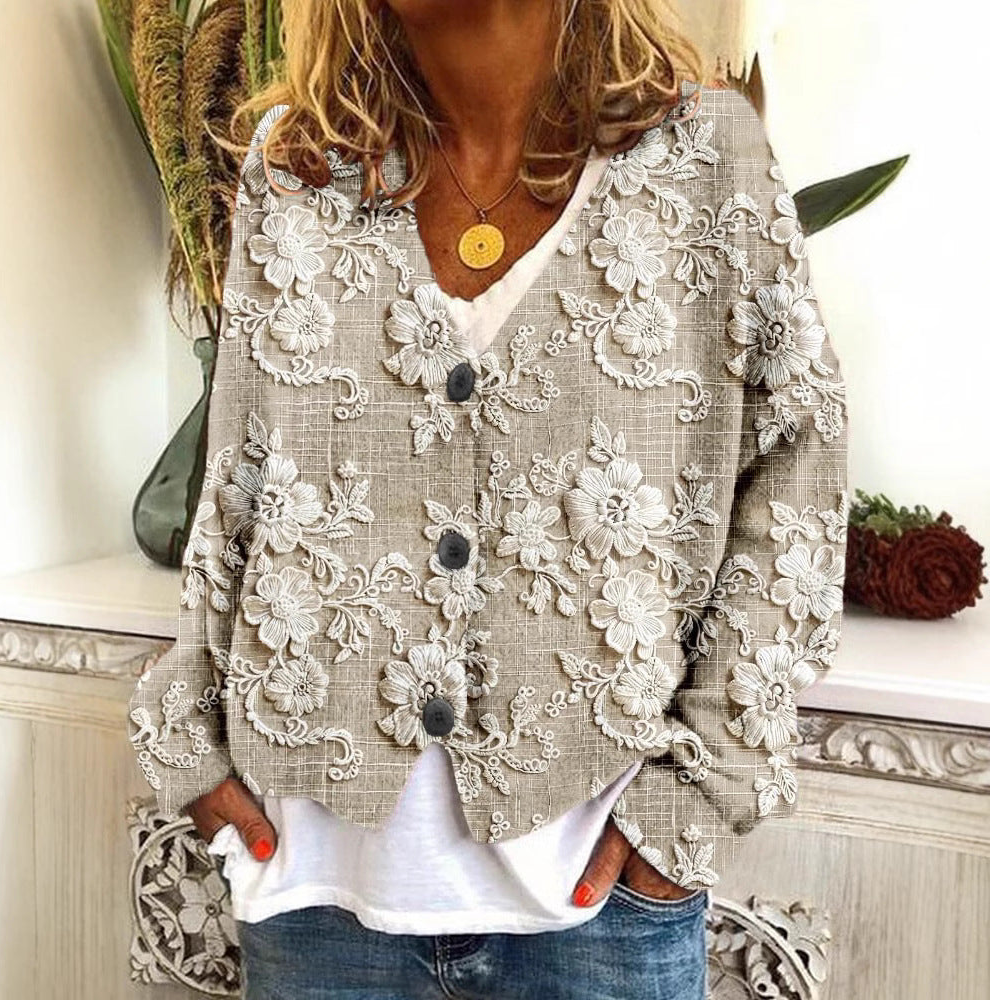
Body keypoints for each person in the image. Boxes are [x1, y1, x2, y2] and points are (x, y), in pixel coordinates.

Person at [126, 1, 849, 997]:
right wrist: (193, 739)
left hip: (598, 916)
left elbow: (799, 469)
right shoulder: (294, 170)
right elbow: (239, 483)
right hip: (317, 900)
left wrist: (695, 793)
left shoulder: (704, 157)